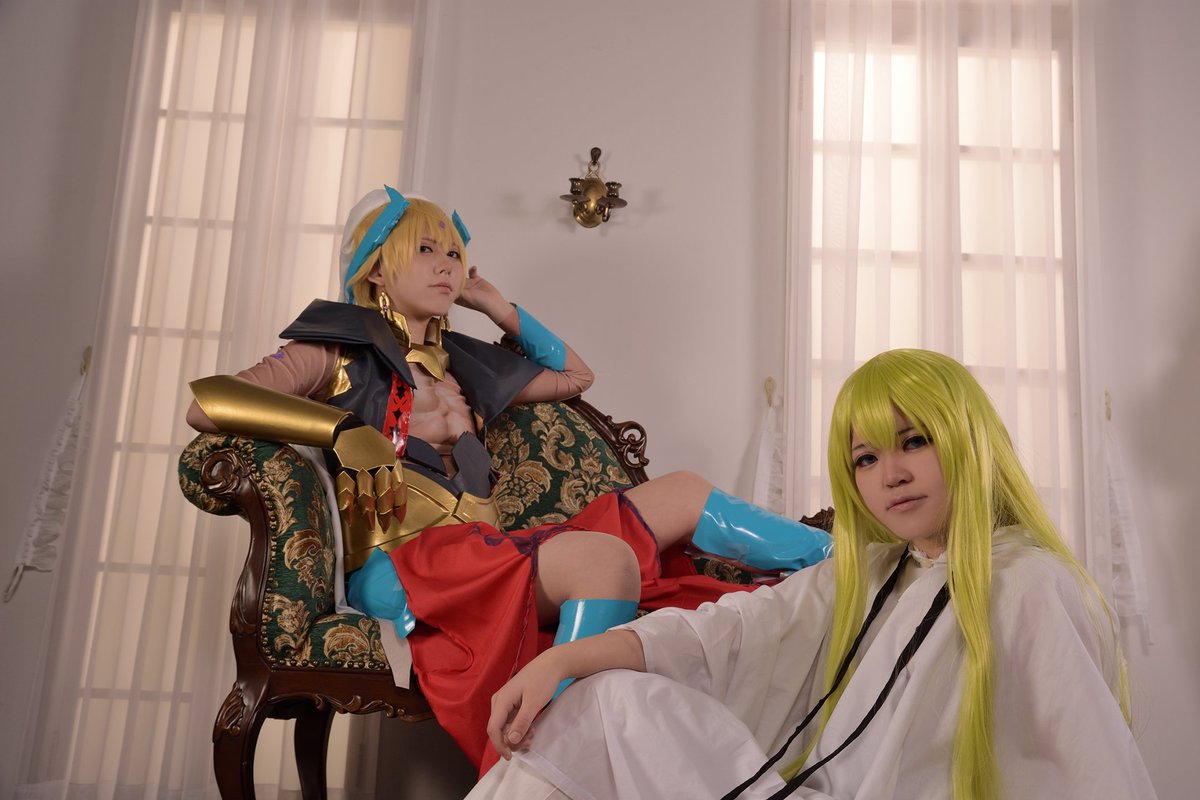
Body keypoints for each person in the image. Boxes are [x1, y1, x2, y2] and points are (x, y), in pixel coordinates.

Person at [185, 186, 832, 773]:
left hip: (489, 552)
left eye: (454, 253)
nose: (446, 264)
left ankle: (849, 564)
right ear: (375, 267)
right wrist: (340, 429)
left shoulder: (461, 365)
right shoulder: (331, 351)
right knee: (605, 562)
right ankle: (552, 756)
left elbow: (575, 377)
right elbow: (208, 403)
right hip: (404, 563)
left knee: (684, 491)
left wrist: (494, 304)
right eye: (426, 249)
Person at [471, 348, 1158, 800]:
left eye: (914, 442)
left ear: (968, 440)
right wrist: (559, 660)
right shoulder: (870, 573)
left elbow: (1096, 764)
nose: (890, 474)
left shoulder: (1030, 584)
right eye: (866, 459)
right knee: (607, 701)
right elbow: (725, 633)